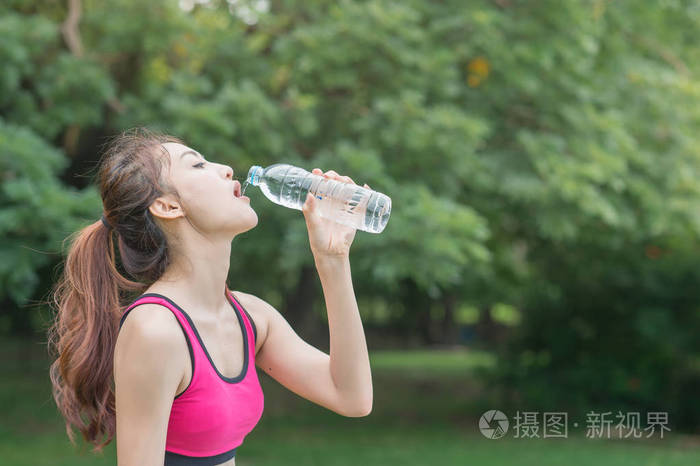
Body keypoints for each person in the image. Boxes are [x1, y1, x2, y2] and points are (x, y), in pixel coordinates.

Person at [47, 127, 373, 466]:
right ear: (167, 205)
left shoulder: (250, 316)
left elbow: (352, 397)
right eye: (198, 165)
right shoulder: (156, 330)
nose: (227, 169)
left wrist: (332, 259)